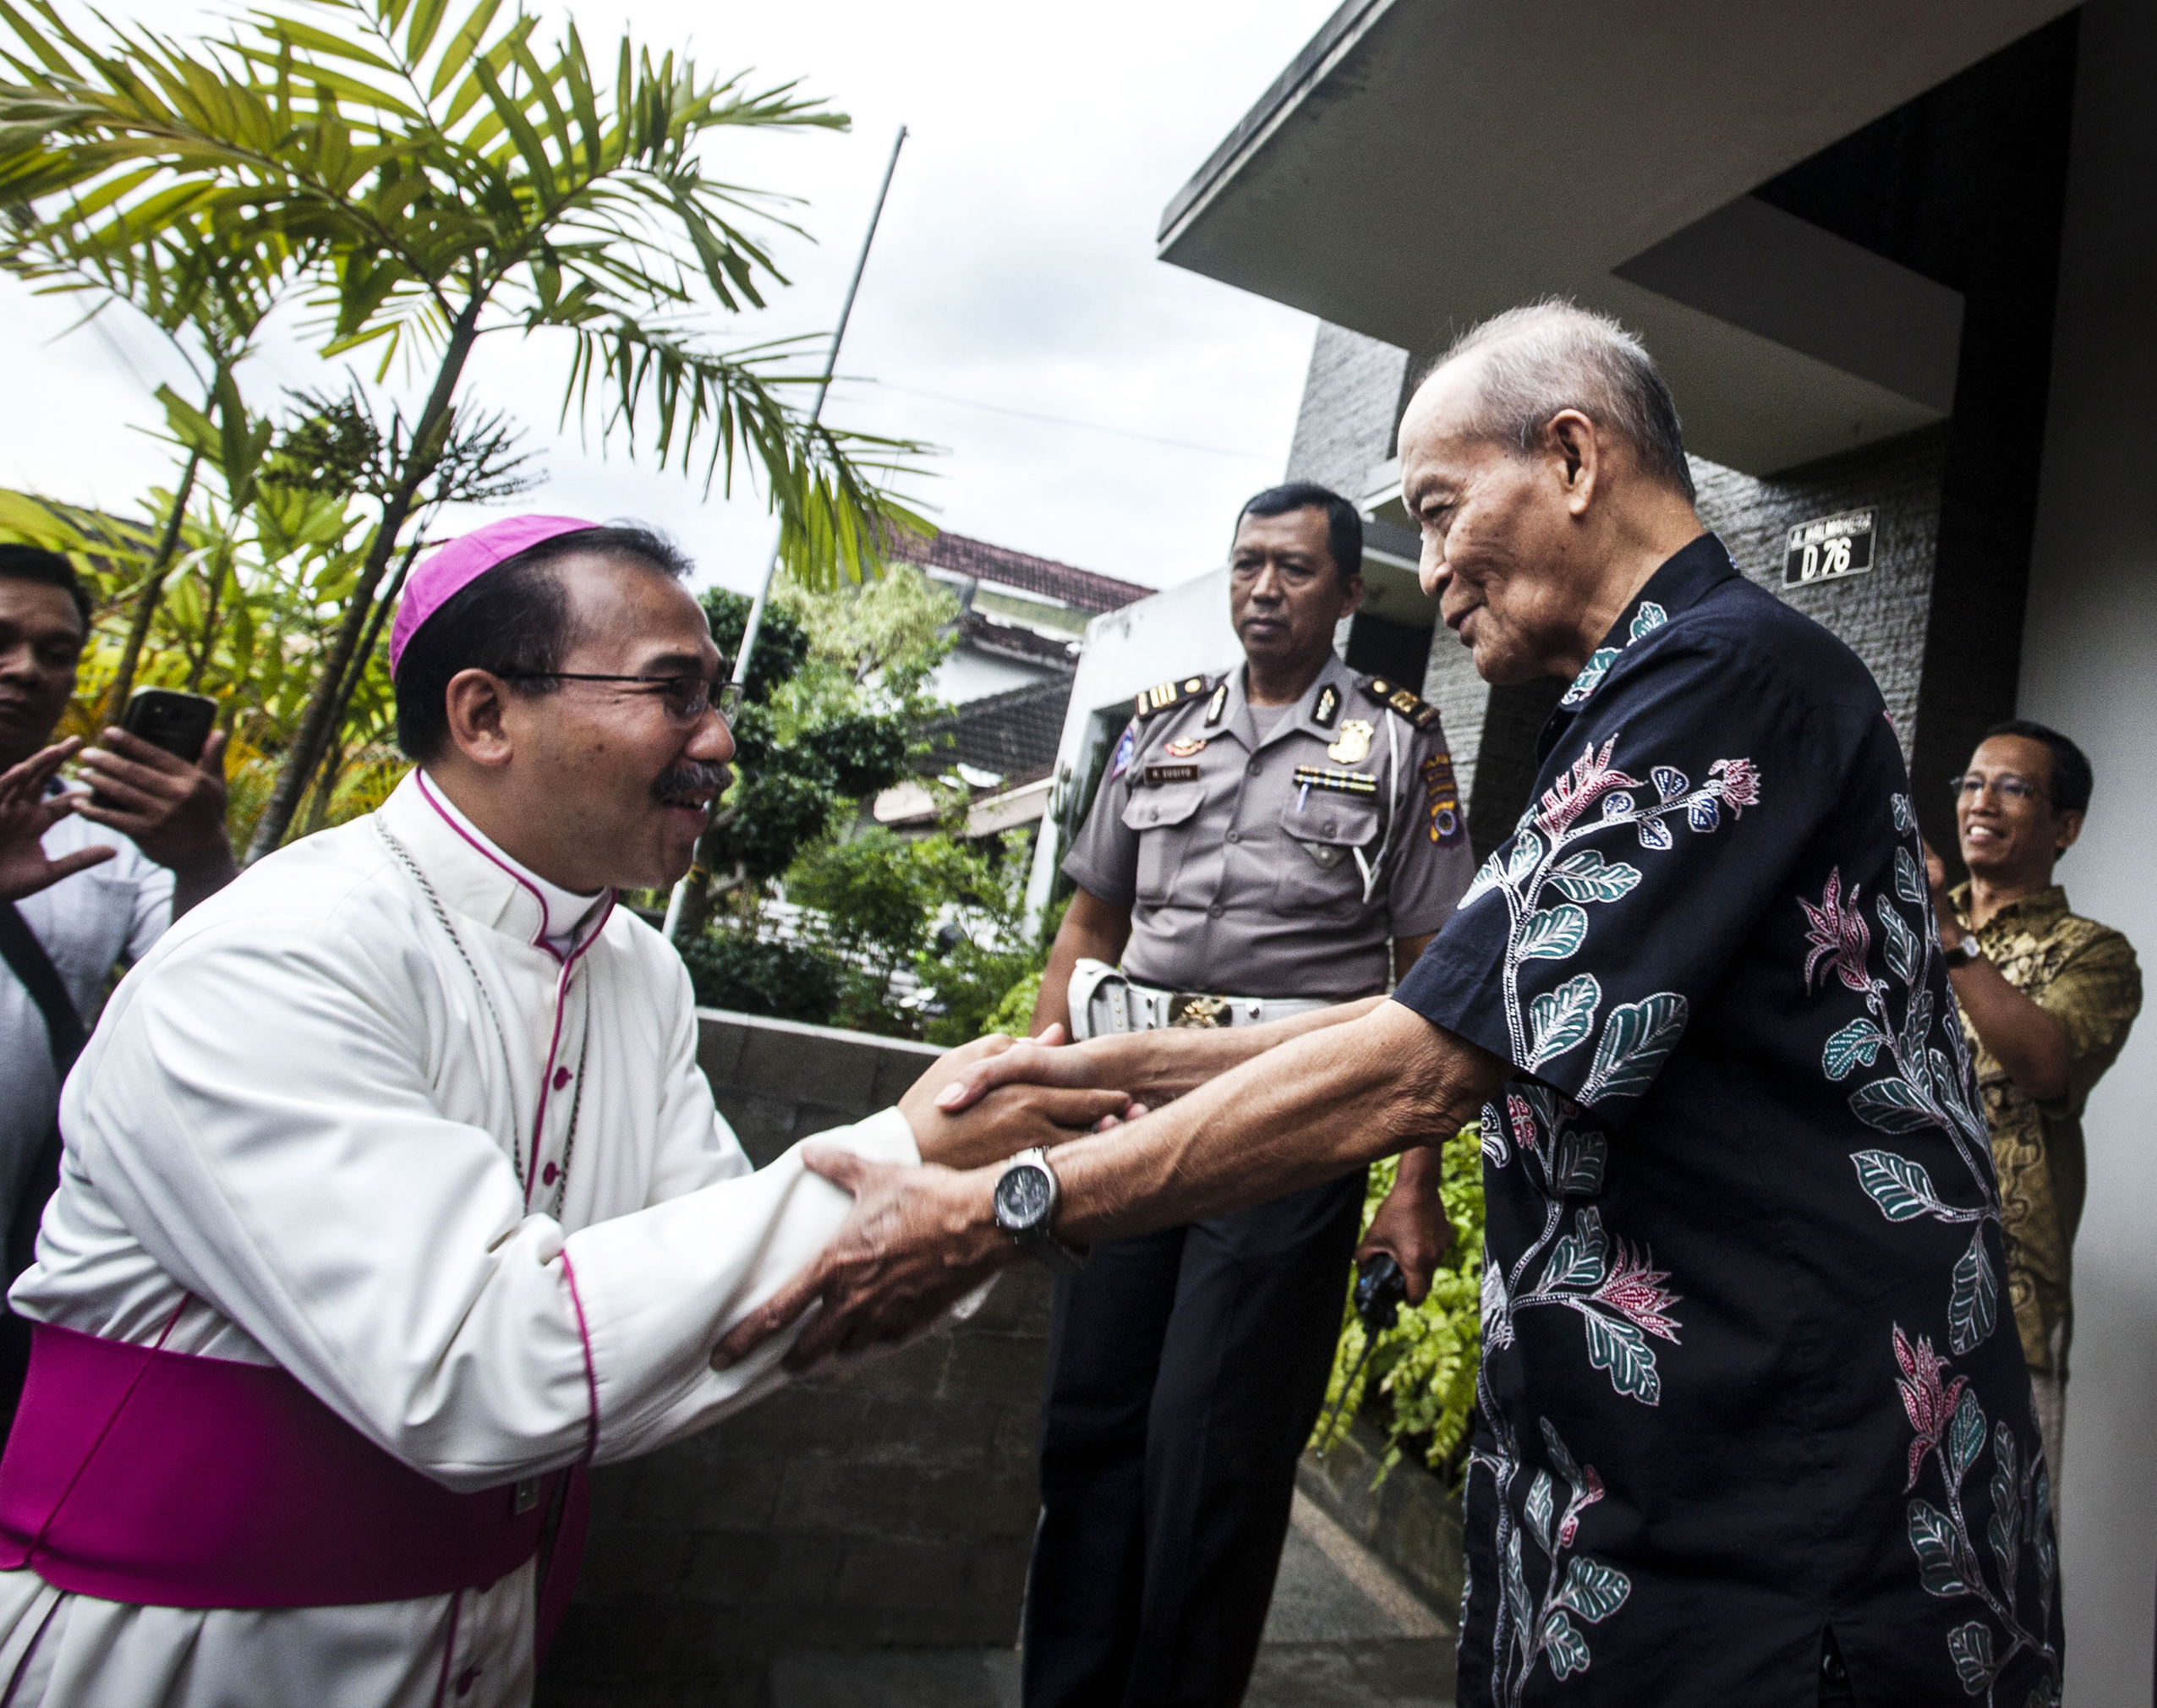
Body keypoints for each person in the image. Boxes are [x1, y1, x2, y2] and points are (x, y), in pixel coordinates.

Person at [720, 303, 2064, 1706]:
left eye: (1435, 510)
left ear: (1569, 455)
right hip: (1675, 1483)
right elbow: (1462, 1007)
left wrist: (1008, 1206)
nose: (1427, 569)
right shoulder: (1650, 688)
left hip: (1787, 1508)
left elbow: (1427, 1064)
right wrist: (1089, 1076)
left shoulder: (1730, 673)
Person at [0, 516, 1133, 1708]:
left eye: (716, 694)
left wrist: (987, 1198)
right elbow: (469, 1364)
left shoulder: (635, 971)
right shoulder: (278, 954)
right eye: (672, 693)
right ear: (484, 715)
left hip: (476, 1634)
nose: (720, 741)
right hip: (180, 1649)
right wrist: (910, 1152)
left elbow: (749, 1290)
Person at [1024, 481, 1474, 1707]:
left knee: (1213, 1454)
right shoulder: (1156, 728)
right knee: (1092, 1424)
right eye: (1243, 567)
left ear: (1343, 593)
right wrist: (1038, 1090)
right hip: (1130, 1113)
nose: (1261, 590)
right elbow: (1088, 922)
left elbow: (1433, 975)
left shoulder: (1395, 739)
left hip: (1287, 1125)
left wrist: (1410, 1184)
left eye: (1289, 570)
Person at [0, 545, 237, 1424]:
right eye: (4, 641)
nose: (27, 670)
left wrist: (203, 858)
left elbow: (210, 993)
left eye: (55, 653)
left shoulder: (99, 841)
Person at [1924, 721, 2139, 1498]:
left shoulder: (2095, 953)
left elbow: (2047, 1068)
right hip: (1873, 1285)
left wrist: (1948, 938)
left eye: (2012, 787)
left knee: (1998, 1562)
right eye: (1971, 782)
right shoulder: (1901, 923)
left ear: (2065, 826)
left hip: (2007, 1307)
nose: (1981, 801)